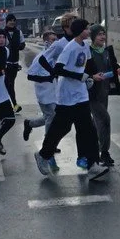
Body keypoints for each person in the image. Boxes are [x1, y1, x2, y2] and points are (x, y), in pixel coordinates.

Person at [35, 18, 106, 179]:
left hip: (80, 95)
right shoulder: (70, 48)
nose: (89, 32)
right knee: (61, 128)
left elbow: (88, 63)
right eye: (87, 29)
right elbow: (59, 69)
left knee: (89, 129)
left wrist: (95, 74)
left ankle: (93, 164)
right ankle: (43, 155)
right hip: (66, 96)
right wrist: (80, 76)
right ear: (80, 31)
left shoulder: (84, 46)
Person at [86, 25, 120, 166]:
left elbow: (113, 65)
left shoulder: (107, 51)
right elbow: (82, 71)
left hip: (105, 91)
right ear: (92, 37)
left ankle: (95, 151)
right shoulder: (87, 52)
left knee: (99, 123)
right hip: (93, 94)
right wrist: (92, 76)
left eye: (104, 34)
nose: (102, 37)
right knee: (105, 120)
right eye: (99, 35)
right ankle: (104, 152)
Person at [22, 28, 60, 145]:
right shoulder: (41, 57)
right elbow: (30, 75)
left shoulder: (56, 56)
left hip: (55, 92)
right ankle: (49, 143)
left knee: (50, 117)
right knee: (51, 116)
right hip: (44, 93)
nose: (55, 43)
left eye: (56, 40)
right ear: (46, 42)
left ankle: (29, 124)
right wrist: (47, 78)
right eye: (53, 40)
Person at [4, 14, 27, 112]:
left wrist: (19, 46)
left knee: (10, 84)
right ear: (7, 22)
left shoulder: (18, 32)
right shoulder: (3, 32)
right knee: (7, 84)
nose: (12, 22)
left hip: (14, 63)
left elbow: (23, 43)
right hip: (5, 63)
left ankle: (12, 104)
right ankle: (13, 104)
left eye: (14, 20)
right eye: (10, 20)